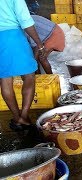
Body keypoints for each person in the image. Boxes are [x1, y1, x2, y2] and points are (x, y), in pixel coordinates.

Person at [0, 0, 45, 131]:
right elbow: (25, 20)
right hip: (13, 37)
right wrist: (39, 43)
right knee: (29, 76)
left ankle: (16, 117)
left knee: (5, 79)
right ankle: (23, 116)